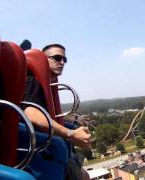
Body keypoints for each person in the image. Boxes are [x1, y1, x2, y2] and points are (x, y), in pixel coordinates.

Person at [23, 44, 91, 180]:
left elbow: (46, 112)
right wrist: (71, 134)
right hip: (44, 150)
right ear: (44, 59)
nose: (62, 62)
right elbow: (31, 113)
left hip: (51, 145)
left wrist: (72, 118)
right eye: (57, 58)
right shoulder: (32, 79)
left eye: (64, 60)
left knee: (85, 175)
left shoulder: (47, 82)